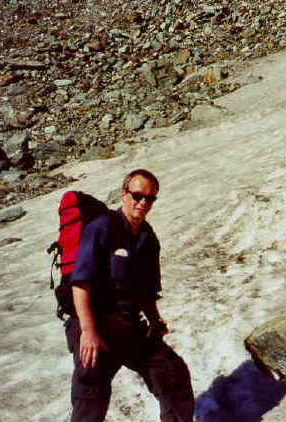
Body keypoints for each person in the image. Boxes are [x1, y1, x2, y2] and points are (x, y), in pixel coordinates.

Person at [64, 168, 194, 422]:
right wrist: (88, 332)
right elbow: (80, 283)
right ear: (124, 194)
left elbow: (146, 289)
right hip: (95, 323)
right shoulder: (101, 228)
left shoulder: (147, 238)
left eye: (150, 198)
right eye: (137, 195)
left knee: (172, 374)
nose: (143, 202)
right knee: (91, 394)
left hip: (129, 324)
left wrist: (154, 320)